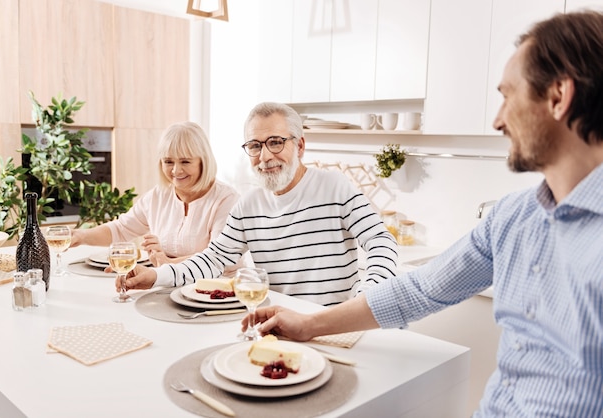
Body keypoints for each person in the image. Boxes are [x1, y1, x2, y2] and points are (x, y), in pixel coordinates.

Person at [244, 11, 603, 417]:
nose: (497, 119)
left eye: (508, 95)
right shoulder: (512, 219)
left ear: (558, 97)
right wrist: (308, 324)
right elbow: (420, 290)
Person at [120, 102, 398, 306]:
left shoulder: (335, 187)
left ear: (299, 146)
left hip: (334, 320)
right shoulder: (248, 205)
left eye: (275, 143)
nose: (264, 156)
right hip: (277, 321)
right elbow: (213, 259)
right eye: (254, 146)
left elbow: (381, 241)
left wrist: (367, 298)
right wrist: (156, 276)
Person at [71, 121, 240, 268]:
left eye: (185, 161)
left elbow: (218, 258)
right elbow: (120, 229)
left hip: (219, 293)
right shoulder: (158, 197)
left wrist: (168, 264)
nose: (176, 170)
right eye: (168, 161)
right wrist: (81, 236)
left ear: (203, 161)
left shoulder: (226, 199)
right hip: (169, 287)